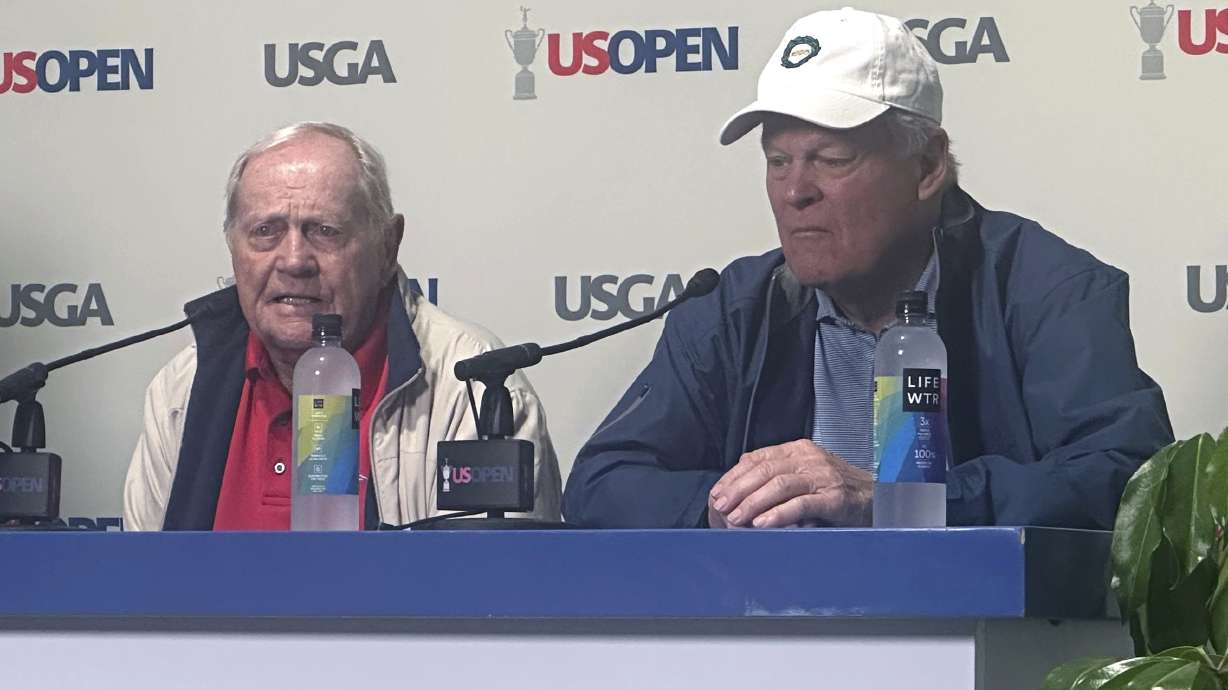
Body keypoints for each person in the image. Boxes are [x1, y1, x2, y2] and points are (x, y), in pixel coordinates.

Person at [562, 8, 1172, 530]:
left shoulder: (1044, 289)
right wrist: (735, 505)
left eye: (831, 159)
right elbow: (602, 483)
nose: (795, 191)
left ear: (928, 165)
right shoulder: (734, 309)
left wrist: (894, 503)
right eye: (777, 161)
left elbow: (1128, 482)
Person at [124, 122, 561, 530]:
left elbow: (482, 596)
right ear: (232, 247)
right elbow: (139, 587)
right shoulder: (183, 386)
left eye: (325, 231)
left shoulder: (472, 386)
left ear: (388, 246)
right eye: (265, 231)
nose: (294, 260)